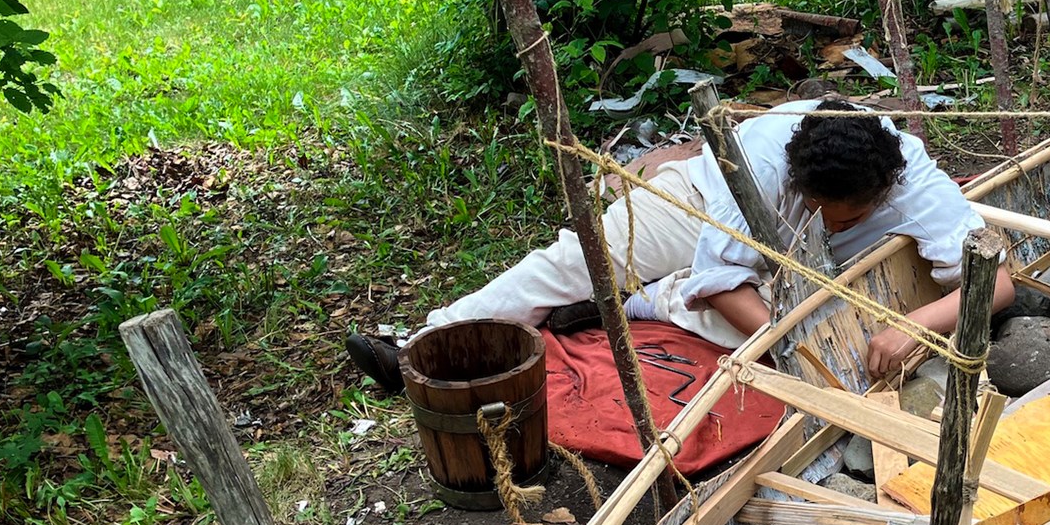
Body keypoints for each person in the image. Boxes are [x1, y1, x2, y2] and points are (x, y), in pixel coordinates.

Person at [346, 100, 1014, 391]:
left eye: (851, 216)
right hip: (700, 206)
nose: (834, 222)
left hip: (793, 270)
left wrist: (916, 329)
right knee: (576, 259)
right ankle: (421, 343)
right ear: (798, 179)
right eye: (819, 208)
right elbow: (724, 279)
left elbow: (1001, 284)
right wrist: (797, 348)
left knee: (746, 331)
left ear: (884, 186)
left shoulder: (913, 175)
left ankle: (653, 299)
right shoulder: (755, 151)